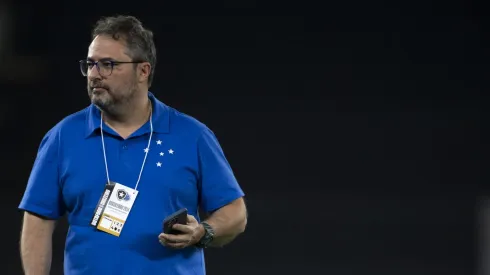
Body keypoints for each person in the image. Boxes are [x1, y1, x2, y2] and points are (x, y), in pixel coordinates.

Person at [18, 15, 247, 275]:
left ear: (143, 71)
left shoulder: (193, 135)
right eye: (90, 64)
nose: (94, 75)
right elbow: (38, 220)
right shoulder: (62, 137)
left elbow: (235, 213)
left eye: (108, 64)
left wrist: (203, 232)